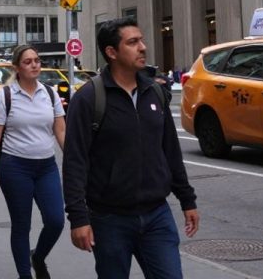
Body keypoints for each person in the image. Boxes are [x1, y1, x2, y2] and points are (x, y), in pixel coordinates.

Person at [62, 18, 200, 279]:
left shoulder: (154, 93)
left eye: (142, 40)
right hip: (109, 219)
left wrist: (187, 199)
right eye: (133, 42)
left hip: (157, 215)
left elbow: (170, 151)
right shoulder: (89, 98)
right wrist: (78, 218)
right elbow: (74, 162)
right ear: (111, 53)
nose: (143, 47)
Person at [0, 45, 66, 279]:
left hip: (46, 166)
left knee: (56, 220)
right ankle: (25, 275)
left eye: (37, 60)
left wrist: (74, 162)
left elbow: (60, 130)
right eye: (28, 61)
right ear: (17, 67)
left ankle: (37, 257)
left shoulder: (49, 93)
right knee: (22, 225)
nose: (34, 65)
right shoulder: (6, 96)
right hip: (15, 167)